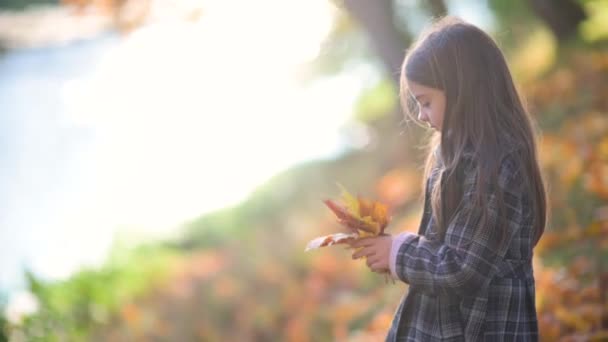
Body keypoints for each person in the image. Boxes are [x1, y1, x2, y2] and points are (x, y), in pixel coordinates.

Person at [347, 16, 547, 341]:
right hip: (453, 324)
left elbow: (461, 269)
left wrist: (399, 253)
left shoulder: (496, 166)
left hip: (485, 326)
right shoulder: (455, 155)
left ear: (463, 90)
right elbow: (448, 247)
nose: (422, 116)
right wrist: (398, 257)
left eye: (426, 102)